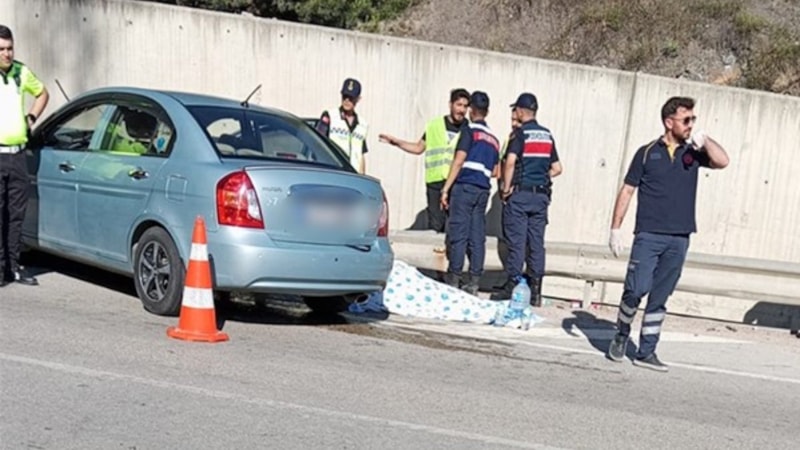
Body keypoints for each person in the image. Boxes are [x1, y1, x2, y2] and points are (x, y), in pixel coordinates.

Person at [606, 96, 729, 372]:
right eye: (686, 120)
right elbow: (627, 190)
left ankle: (647, 351)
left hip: (679, 236)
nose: (690, 125)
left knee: (660, 296)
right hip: (649, 235)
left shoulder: (694, 153)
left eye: (693, 120)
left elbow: (723, 161)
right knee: (636, 289)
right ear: (668, 121)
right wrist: (616, 228)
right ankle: (622, 332)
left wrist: (705, 139)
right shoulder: (647, 152)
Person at [498, 93, 563, 305]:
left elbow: (509, 163)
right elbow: (557, 168)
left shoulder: (520, 135)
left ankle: (513, 285)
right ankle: (536, 291)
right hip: (541, 196)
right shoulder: (546, 135)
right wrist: (542, 178)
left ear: (519, 110)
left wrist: (507, 188)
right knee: (536, 243)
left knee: (517, 243)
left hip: (521, 195)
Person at [379, 88, 470, 236]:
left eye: (465, 106)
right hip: (434, 182)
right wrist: (396, 142)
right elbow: (418, 147)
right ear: (450, 104)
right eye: (459, 105)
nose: (462, 110)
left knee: (454, 225)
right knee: (435, 225)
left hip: (457, 182)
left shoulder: (469, 129)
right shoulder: (434, 125)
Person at [0, 25, 49, 287]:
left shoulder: (22, 72)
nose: (7, 54)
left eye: (10, 48)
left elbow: (42, 93)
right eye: (2, 49)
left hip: (17, 155)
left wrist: (30, 117)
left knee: (16, 213)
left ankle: (13, 266)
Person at [439, 91, 500, 294]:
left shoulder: (469, 131)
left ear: (471, 109)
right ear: (487, 111)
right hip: (483, 190)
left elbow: (458, 160)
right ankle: (474, 281)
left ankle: (454, 279)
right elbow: (496, 171)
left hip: (464, 187)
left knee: (458, 234)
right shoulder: (493, 138)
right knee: (477, 236)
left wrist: (445, 189)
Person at [315, 78, 368, 174]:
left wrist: (363, 176)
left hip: (354, 175)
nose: (347, 100)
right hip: (333, 172)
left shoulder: (362, 124)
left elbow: (361, 154)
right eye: (345, 96)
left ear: (358, 99)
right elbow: (318, 144)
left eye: (351, 97)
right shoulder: (330, 116)